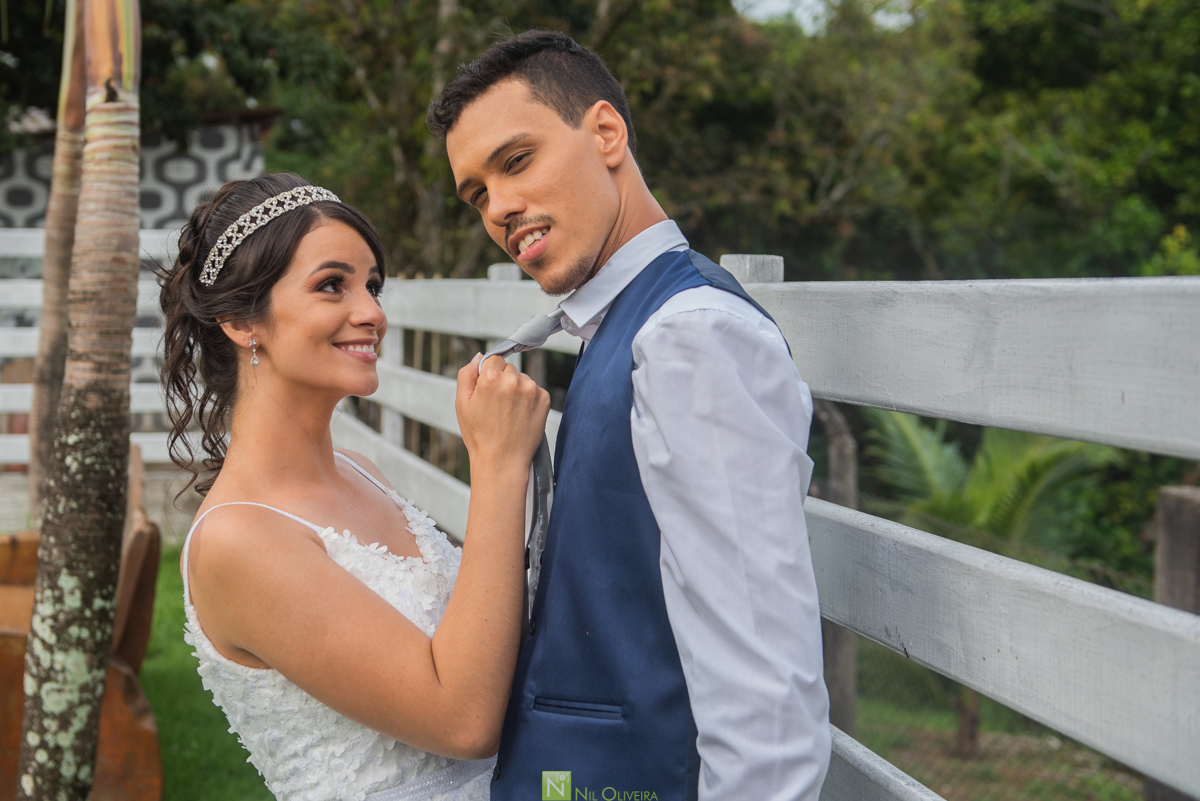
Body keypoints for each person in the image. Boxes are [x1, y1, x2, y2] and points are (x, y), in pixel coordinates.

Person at [427, 30, 832, 801]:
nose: (501, 206)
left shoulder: (693, 335)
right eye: (477, 193)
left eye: (516, 161)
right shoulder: (623, 329)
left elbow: (762, 672)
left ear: (605, 133)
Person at [158, 171, 550, 801]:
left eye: (372, 285)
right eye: (331, 285)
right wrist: (500, 467)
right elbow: (463, 719)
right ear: (238, 320)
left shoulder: (366, 470)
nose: (371, 312)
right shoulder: (239, 540)